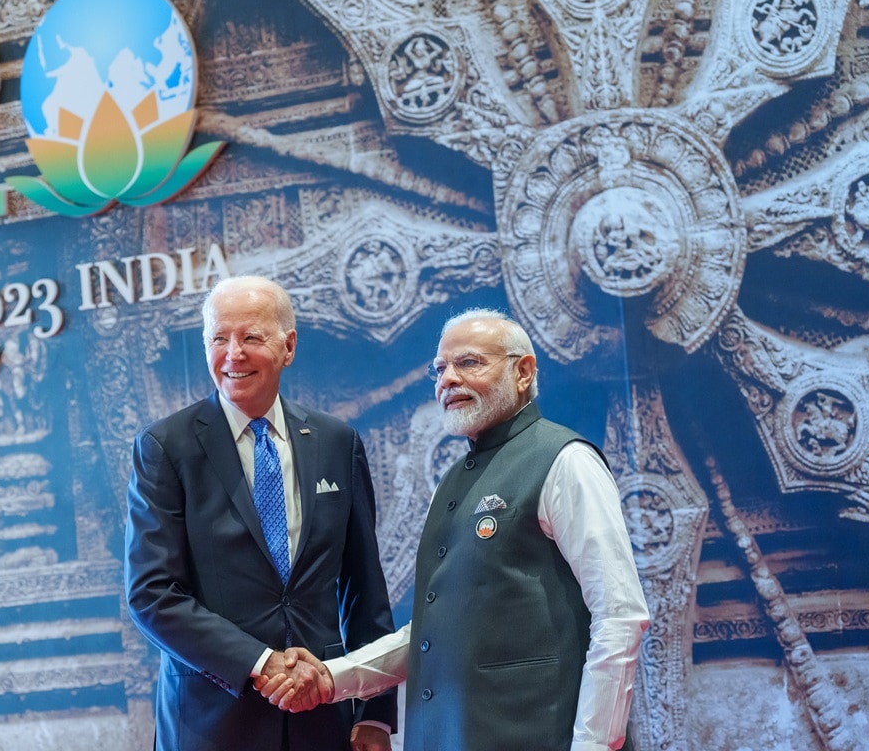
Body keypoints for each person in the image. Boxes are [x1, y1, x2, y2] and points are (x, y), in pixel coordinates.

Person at [258, 308, 650, 751]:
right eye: (439, 369)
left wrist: (595, 745)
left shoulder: (566, 461)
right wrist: (333, 677)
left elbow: (620, 616)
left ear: (523, 372)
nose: (447, 379)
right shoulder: (452, 482)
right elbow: (430, 633)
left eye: (469, 363)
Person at [125, 275, 398, 751]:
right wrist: (260, 661)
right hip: (211, 723)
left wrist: (376, 713)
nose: (234, 354)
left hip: (323, 721)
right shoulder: (166, 447)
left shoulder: (338, 443)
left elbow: (364, 589)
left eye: (251, 337)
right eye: (219, 338)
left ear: (288, 346)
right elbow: (152, 594)